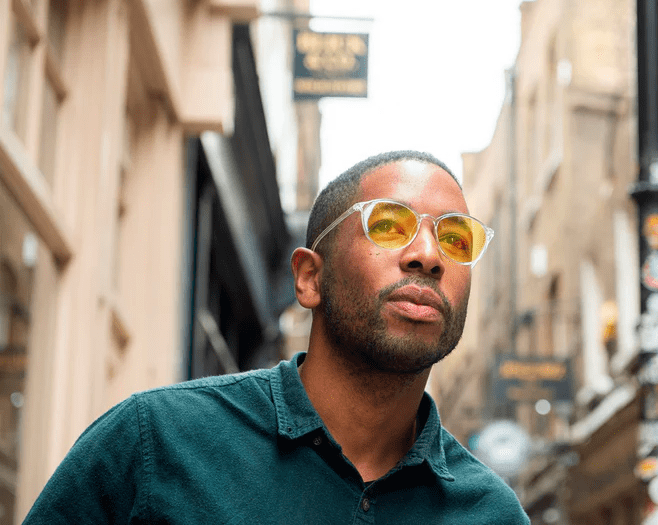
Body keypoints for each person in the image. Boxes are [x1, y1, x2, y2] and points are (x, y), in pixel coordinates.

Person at [24, 150, 530, 524]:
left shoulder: (492, 514)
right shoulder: (154, 443)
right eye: (389, 226)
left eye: (456, 239)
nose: (429, 256)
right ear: (310, 278)